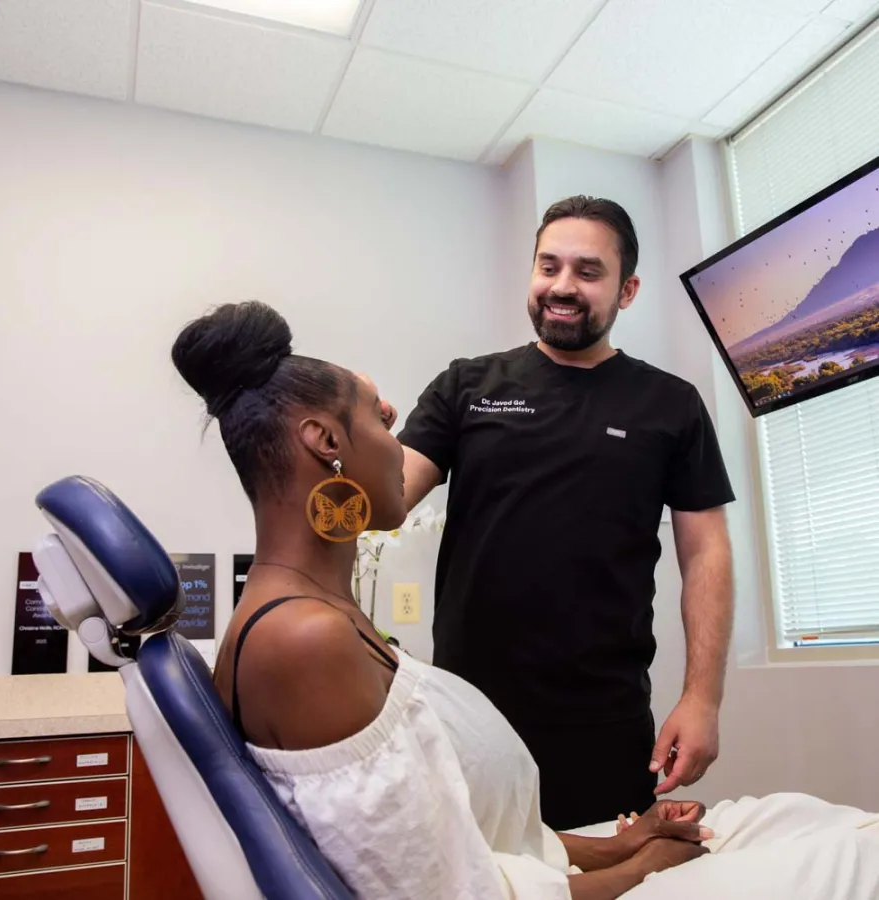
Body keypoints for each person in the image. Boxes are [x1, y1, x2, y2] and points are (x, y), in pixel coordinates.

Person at [171, 301, 879, 900]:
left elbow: (448, 834)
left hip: (559, 829)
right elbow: (452, 891)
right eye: (382, 426)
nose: (399, 447)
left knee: (796, 815)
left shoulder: (318, 618)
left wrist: (620, 843)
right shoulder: (303, 640)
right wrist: (636, 869)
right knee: (861, 848)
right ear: (326, 441)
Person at [386, 195, 737, 830]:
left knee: (610, 878)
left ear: (627, 290)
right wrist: (347, 433)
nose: (562, 287)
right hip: (471, 710)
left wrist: (702, 697)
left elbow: (706, 551)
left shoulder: (671, 404)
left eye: (587, 271)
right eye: (548, 267)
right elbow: (384, 501)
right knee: (485, 880)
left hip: (603, 717)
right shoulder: (467, 386)